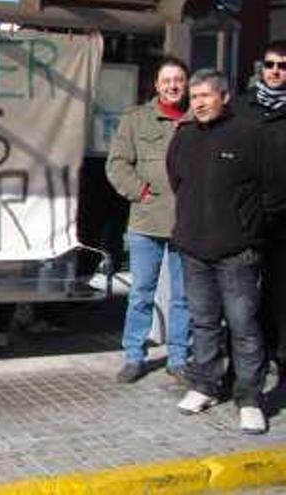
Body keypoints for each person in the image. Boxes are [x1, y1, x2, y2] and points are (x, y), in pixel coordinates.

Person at [169, 69, 267, 434]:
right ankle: (204, 385)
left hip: (237, 252)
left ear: (224, 96)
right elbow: (175, 180)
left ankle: (250, 398)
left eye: (205, 96)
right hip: (194, 249)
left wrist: (248, 231)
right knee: (203, 322)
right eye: (194, 97)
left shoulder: (250, 135)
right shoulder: (184, 137)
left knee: (243, 326)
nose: (198, 103)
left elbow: (269, 190)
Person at [105, 56, 192, 384]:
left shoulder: (196, 119)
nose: (172, 86)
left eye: (179, 80)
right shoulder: (136, 119)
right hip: (146, 223)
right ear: (155, 85)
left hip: (187, 223)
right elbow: (116, 165)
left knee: (184, 296)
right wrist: (139, 192)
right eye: (166, 80)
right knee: (142, 291)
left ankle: (179, 357)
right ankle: (133, 355)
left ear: (186, 84)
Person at [233, 40, 286, 376]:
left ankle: (278, 354)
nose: (276, 71)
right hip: (244, 217)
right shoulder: (240, 107)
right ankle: (240, 361)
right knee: (240, 294)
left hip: (284, 219)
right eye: (270, 65)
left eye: (283, 65)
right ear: (260, 68)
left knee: (280, 292)